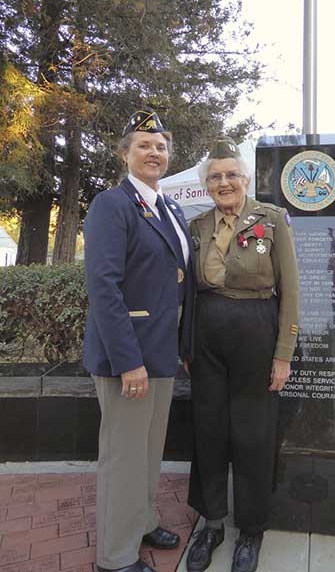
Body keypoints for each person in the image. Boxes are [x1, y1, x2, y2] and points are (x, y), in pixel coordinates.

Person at [83, 110, 196, 572]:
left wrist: (183, 348)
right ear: (125, 153)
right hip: (127, 356)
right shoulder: (112, 204)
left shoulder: (170, 208)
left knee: (149, 450)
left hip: (163, 352)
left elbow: (181, 284)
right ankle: (114, 556)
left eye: (162, 145)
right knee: (124, 456)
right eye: (145, 144)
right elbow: (103, 287)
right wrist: (128, 361)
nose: (154, 152)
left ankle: (143, 520)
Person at [185, 137, 299, 572]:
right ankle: (212, 523)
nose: (224, 182)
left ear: (246, 179)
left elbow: (290, 290)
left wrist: (283, 353)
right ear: (207, 186)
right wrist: (186, 344)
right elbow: (187, 290)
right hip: (207, 335)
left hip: (257, 329)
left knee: (253, 433)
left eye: (231, 174)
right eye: (215, 177)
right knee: (208, 428)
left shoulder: (271, 220)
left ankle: (251, 528)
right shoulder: (197, 227)